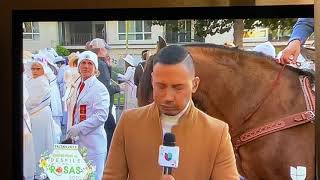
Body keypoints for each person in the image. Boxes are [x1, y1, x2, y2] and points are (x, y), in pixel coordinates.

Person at [103, 45, 239, 180]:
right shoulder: (129, 123)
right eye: (161, 86)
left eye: (178, 87)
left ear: (195, 84)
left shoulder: (217, 133)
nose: (168, 97)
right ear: (152, 81)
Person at [66, 51, 110, 180]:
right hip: (79, 142)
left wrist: (78, 128)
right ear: (78, 66)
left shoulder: (99, 88)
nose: (86, 66)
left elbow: (101, 116)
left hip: (92, 144)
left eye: (90, 64)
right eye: (83, 63)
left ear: (95, 68)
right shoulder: (79, 84)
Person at [25, 60, 56, 179]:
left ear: (43, 69)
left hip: (40, 115)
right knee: (33, 143)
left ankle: (41, 170)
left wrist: (24, 105)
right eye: (33, 69)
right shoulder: (30, 80)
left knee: (40, 142)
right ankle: (34, 168)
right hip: (32, 115)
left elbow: (36, 100)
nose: (35, 71)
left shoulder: (43, 81)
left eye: (38, 69)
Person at [89, 38, 120, 154]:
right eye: (106, 49)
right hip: (103, 107)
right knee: (109, 134)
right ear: (102, 49)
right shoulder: (100, 64)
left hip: (97, 106)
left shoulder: (97, 63)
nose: (108, 52)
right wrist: (119, 88)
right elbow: (106, 87)